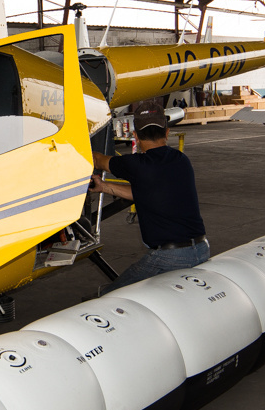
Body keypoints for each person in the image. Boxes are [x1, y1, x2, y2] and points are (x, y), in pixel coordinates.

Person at [89, 102, 208, 293]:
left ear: (134, 136)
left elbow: (97, 160)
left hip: (170, 257)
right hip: (201, 249)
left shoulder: (136, 165)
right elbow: (148, 193)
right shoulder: (181, 160)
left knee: (109, 296)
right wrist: (105, 187)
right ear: (167, 133)